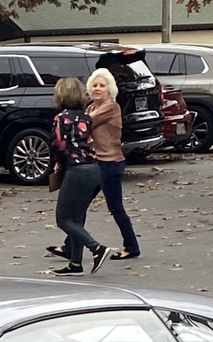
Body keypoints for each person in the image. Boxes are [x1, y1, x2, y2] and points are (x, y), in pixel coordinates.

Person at [46, 77, 105, 274]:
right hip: (94, 169)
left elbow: (59, 145)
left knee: (63, 219)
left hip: (76, 170)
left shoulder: (61, 118)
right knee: (77, 217)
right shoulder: (85, 117)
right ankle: (75, 263)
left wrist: (56, 167)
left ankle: (96, 248)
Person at [83, 67, 142, 261]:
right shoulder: (91, 107)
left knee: (115, 207)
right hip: (96, 163)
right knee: (80, 205)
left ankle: (132, 246)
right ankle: (70, 246)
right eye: (95, 85)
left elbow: (85, 124)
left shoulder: (111, 107)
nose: (97, 88)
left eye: (102, 85)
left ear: (110, 89)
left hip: (110, 164)